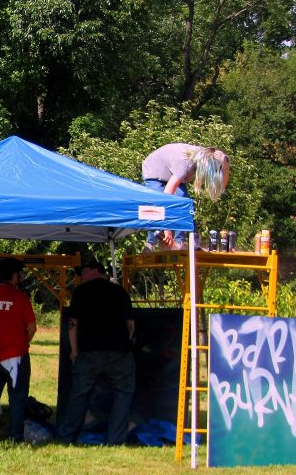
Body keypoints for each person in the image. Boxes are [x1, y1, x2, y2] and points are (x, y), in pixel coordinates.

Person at [57, 260, 136, 445]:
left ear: (95, 271)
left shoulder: (81, 292)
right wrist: (126, 343)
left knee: (79, 395)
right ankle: (116, 440)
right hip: (119, 352)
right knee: (123, 394)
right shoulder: (120, 292)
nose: (81, 276)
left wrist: (74, 351)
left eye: (83, 272)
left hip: (89, 352)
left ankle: (67, 437)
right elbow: (130, 325)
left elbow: (72, 324)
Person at [0, 258, 37, 442]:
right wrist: (22, 342)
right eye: (20, 273)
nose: (21, 276)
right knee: (17, 397)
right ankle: (15, 435)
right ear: (14, 274)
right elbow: (32, 327)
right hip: (16, 356)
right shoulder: (20, 298)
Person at [142, 142, 230, 250]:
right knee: (157, 206)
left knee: (184, 202)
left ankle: (180, 242)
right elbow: (166, 198)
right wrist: (166, 229)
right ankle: (150, 244)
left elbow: (223, 182)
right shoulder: (185, 165)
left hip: (173, 170)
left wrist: (225, 168)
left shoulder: (213, 155)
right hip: (154, 169)